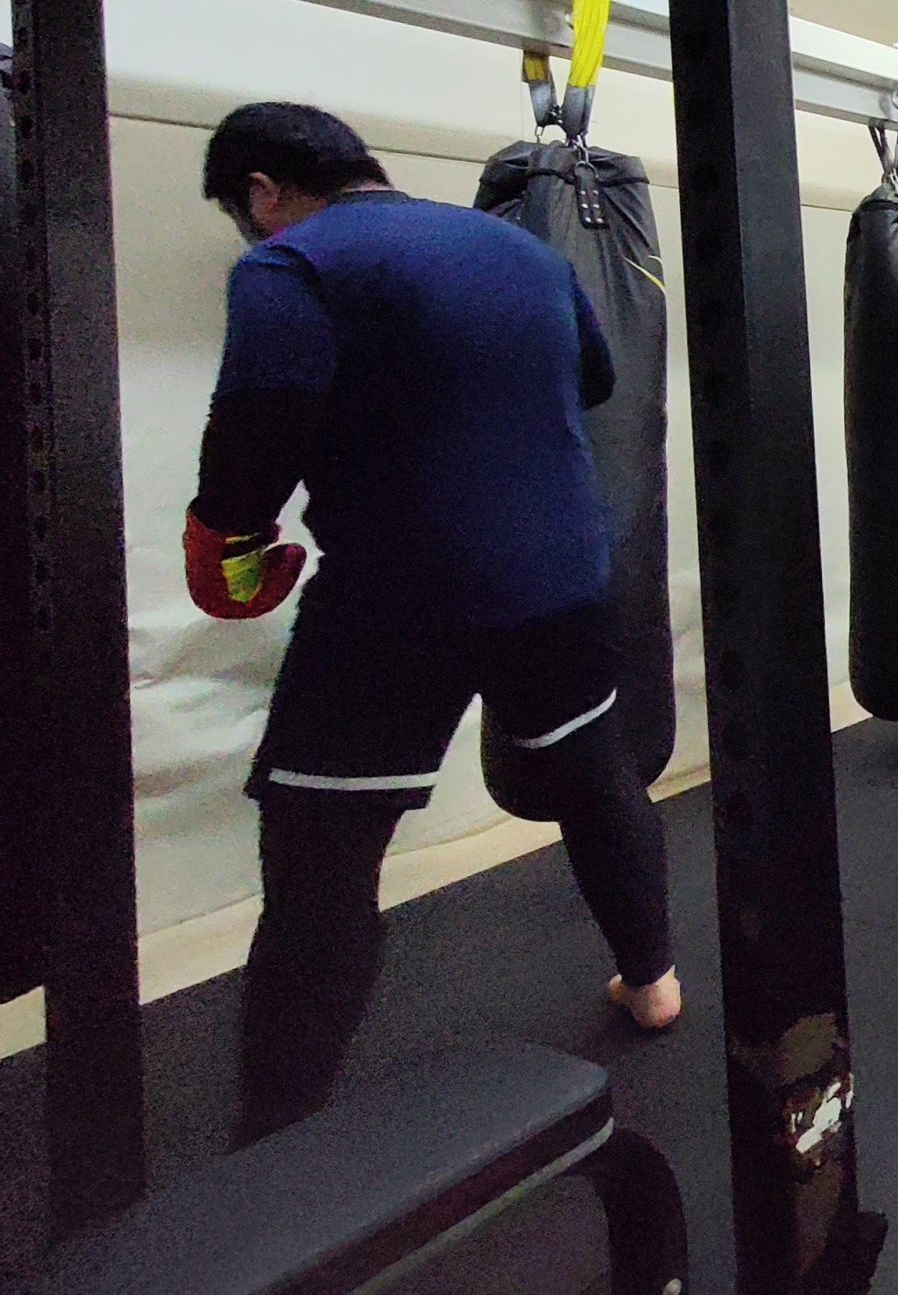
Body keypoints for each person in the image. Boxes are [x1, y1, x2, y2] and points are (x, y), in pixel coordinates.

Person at [188, 103, 679, 1145]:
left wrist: (224, 532)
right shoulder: (522, 251)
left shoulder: (289, 265)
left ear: (263, 192)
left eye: (243, 209)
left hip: (398, 597)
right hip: (560, 578)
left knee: (320, 851)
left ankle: (274, 1134)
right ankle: (653, 983)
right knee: (596, 777)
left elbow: (257, 434)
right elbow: (596, 378)